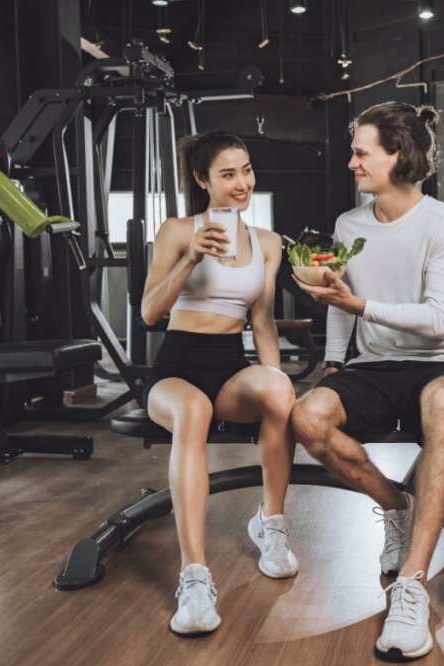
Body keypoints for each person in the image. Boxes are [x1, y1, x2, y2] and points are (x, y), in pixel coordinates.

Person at [291, 102, 444, 661]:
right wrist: (331, 364)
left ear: (397, 155)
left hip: (441, 361)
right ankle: (396, 509)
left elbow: (440, 319)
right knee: (307, 416)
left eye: (360, 152)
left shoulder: (443, 223)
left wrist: (361, 303)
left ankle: (411, 587)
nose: (350, 162)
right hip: (372, 368)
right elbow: (339, 304)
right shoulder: (349, 224)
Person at [140, 131, 298, 636]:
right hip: (176, 369)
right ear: (201, 179)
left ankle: (270, 525)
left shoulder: (269, 244)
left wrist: (275, 378)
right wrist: (191, 258)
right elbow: (148, 314)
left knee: (279, 391)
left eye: (246, 170)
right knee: (194, 412)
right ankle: (194, 577)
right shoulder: (176, 231)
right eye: (228, 174)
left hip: (229, 367)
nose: (242, 183)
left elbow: (263, 322)